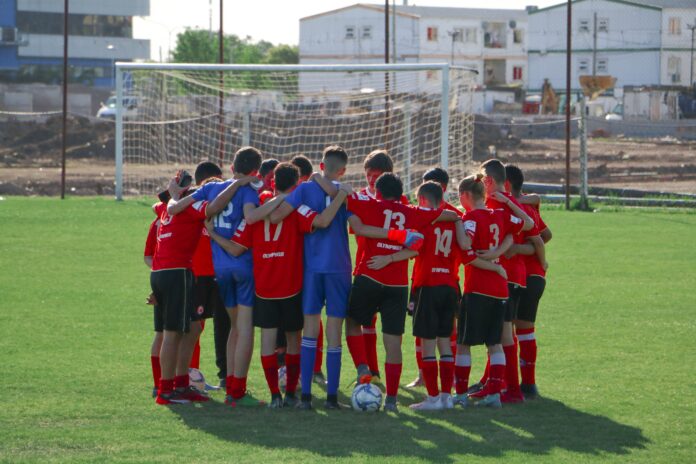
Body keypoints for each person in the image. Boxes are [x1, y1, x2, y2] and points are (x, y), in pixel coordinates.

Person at [269, 146, 422, 410]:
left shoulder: (305, 190)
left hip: (312, 269)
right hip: (339, 269)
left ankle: (305, 397)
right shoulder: (349, 194)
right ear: (342, 170)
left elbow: (277, 215)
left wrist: (298, 199)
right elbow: (360, 227)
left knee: (309, 332)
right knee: (335, 334)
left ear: (320, 165)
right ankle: (331, 399)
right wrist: (399, 236)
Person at [207, 162, 354, 407]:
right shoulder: (296, 211)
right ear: (296, 184)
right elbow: (319, 222)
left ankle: (274, 396)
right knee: (294, 340)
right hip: (292, 287)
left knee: (267, 340)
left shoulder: (254, 215)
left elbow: (235, 247)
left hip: (264, 288)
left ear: (272, 183)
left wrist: (212, 232)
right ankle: (292, 396)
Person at [167, 146, 288, 407]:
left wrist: (174, 195)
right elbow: (249, 215)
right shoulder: (249, 191)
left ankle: (231, 387)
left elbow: (175, 209)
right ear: (256, 171)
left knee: (234, 328)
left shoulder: (210, 188)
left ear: (232, 168)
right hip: (244, 266)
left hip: (219, 270)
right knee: (244, 330)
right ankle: (236, 389)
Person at [344, 172, 460, 412]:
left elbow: (347, 201)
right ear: (401, 194)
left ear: (377, 191)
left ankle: (363, 367)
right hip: (397, 285)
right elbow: (449, 215)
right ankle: (392, 400)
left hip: (369, 275)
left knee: (353, 323)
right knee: (393, 342)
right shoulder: (414, 212)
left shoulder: (370, 204)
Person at [454, 174, 525, 408]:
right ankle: (494, 394)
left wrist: (490, 261)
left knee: (464, 342)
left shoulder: (470, 219)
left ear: (465, 196)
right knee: (494, 343)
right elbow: (520, 228)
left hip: (478, 289)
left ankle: (462, 394)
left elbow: (468, 251)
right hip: (500, 290)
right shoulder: (500, 215)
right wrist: (498, 256)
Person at [468, 159, 535, 404]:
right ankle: (500, 385)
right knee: (503, 333)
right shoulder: (509, 202)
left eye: (483, 179)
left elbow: (528, 231)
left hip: (504, 276)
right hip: (513, 274)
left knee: (502, 334)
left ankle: (511, 389)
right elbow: (513, 232)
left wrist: (495, 253)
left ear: (490, 181)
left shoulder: (496, 202)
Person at [150, 172, 211, 405]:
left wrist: (174, 192)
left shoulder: (165, 209)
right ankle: (166, 390)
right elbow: (212, 208)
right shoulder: (190, 208)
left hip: (160, 272)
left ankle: (179, 385)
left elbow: (157, 205)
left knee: (185, 330)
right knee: (172, 333)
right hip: (177, 272)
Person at [355, 149, 411, 380]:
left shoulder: (401, 201)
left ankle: (387, 382)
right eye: (368, 174)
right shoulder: (360, 197)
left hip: (392, 272)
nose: (371, 179)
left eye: (376, 175)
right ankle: (372, 371)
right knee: (365, 324)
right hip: (366, 268)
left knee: (390, 332)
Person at [407, 167, 460, 389]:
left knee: (429, 336)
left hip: (428, 282)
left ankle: (434, 392)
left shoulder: (422, 216)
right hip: (448, 282)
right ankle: (441, 386)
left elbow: (411, 247)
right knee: (444, 337)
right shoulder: (456, 217)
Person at [505, 164, 552, 399]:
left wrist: (520, 249)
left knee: (507, 329)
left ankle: (510, 384)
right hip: (534, 276)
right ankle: (528, 384)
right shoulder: (526, 204)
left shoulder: (515, 208)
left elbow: (542, 238)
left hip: (522, 275)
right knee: (525, 329)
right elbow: (546, 235)